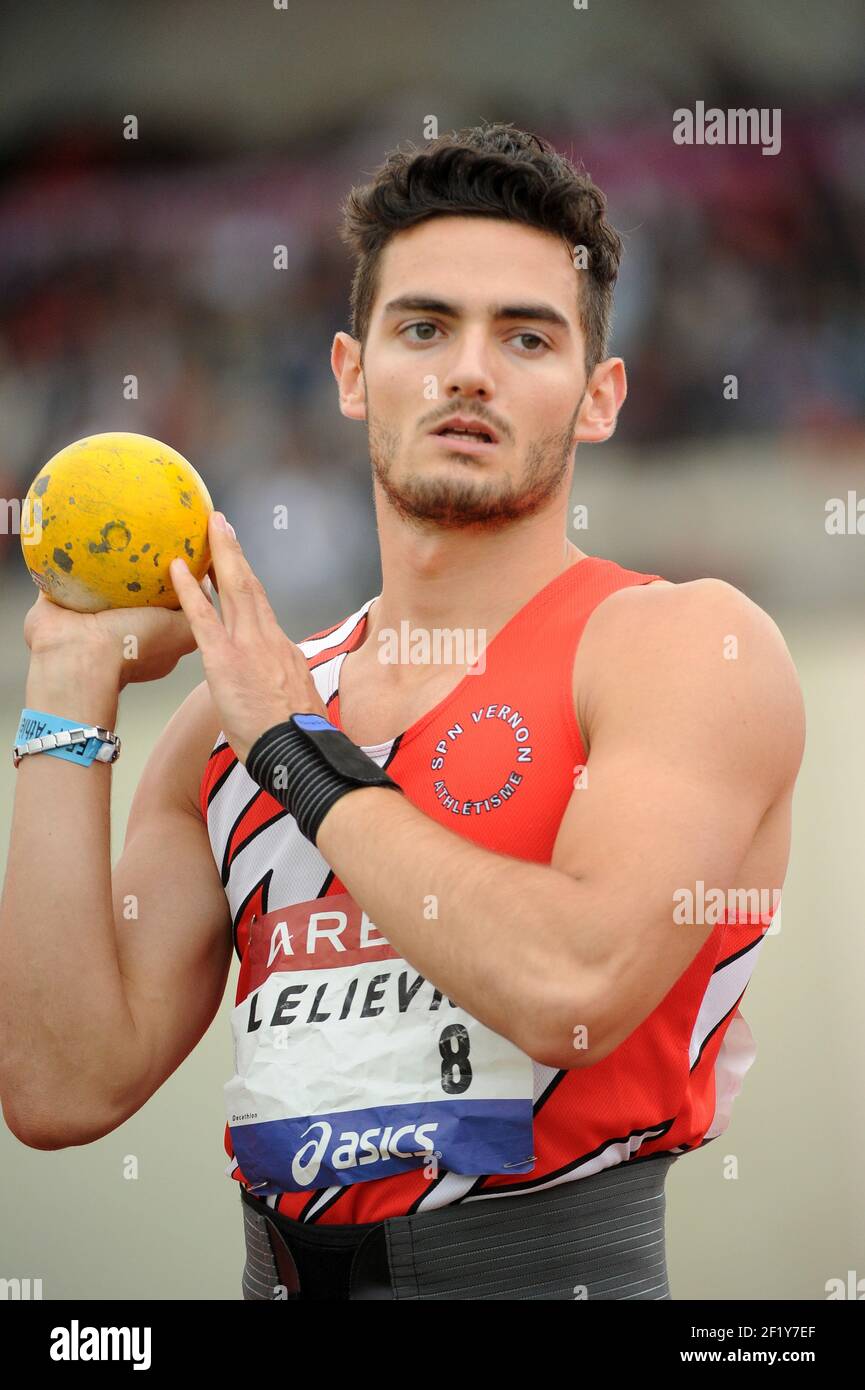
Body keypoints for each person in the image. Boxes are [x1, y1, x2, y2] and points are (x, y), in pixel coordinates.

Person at [0, 122, 805, 1301]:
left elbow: (571, 989)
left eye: (526, 336)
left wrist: (293, 749)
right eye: (422, 327)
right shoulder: (224, 729)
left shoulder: (680, 645)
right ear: (348, 370)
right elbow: (61, 1089)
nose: (467, 370)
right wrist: (64, 700)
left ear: (598, 397)